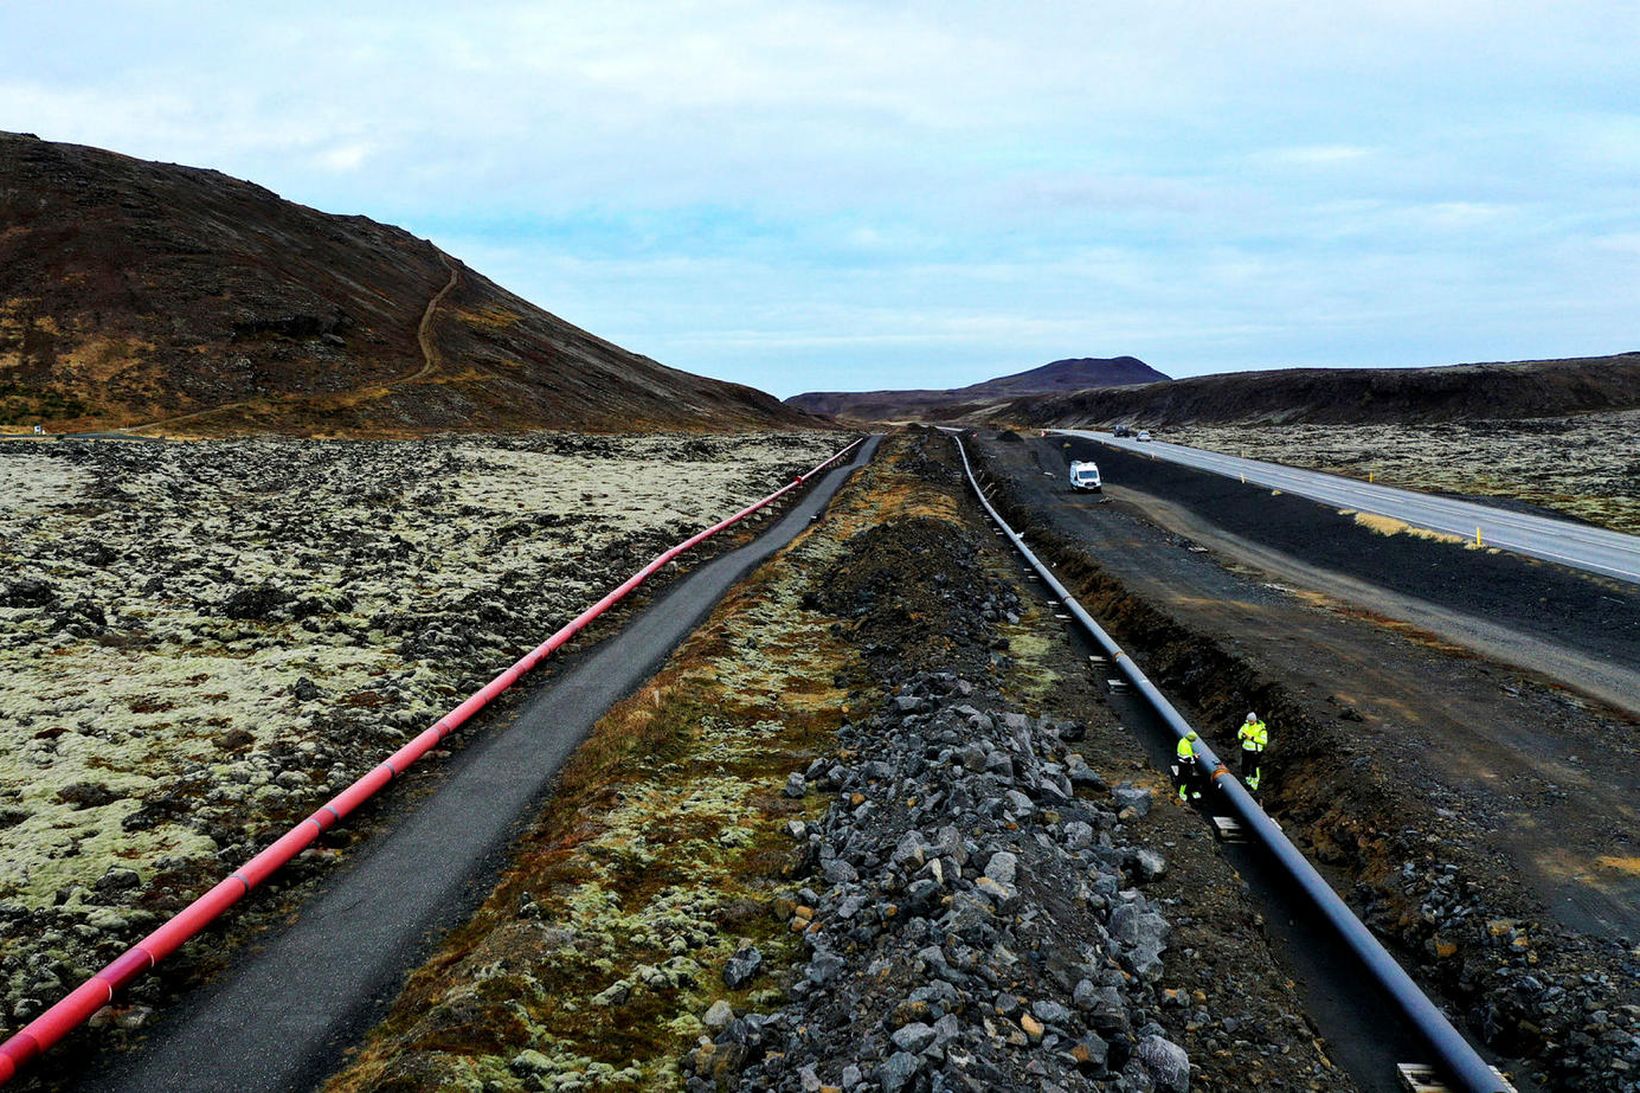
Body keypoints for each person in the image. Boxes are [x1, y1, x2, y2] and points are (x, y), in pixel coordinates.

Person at [1237, 712, 1268, 792]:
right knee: (1245, 766)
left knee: (1254, 767)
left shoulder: (1261, 728)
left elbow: (1264, 741)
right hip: (1246, 749)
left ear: (1254, 720)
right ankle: (1248, 782)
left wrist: (1252, 738)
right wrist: (1242, 736)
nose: (1249, 722)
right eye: (1248, 721)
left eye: (1251, 721)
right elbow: (1240, 733)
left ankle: (1254, 785)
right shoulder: (1246, 725)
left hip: (1255, 751)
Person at [1175, 731, 1202, 801]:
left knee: (1182, 776)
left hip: (1181, 763)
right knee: (1187, 778)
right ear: (1192, 739)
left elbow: (1185, 754)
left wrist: (1193, 755)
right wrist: (1195, 758)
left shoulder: (1183, 741)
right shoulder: (1186, 745)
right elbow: (1188, 758)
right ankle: (1182, 793)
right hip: (1185, 765)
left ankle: (1183, 790)